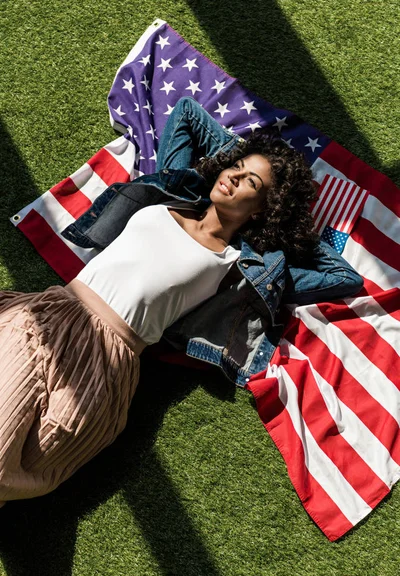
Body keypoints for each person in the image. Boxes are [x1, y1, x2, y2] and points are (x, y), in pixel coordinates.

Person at [0, 97, 363, 505]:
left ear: (264, 211)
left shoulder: (240, 268)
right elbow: (187, 113)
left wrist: (289, 223)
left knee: (35, 465)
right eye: (236, 168)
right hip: (53, 319)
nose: (234, 177)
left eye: (251, 184)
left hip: (108, 363)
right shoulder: (175, 190)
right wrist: (247, 159)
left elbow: (343, 276)